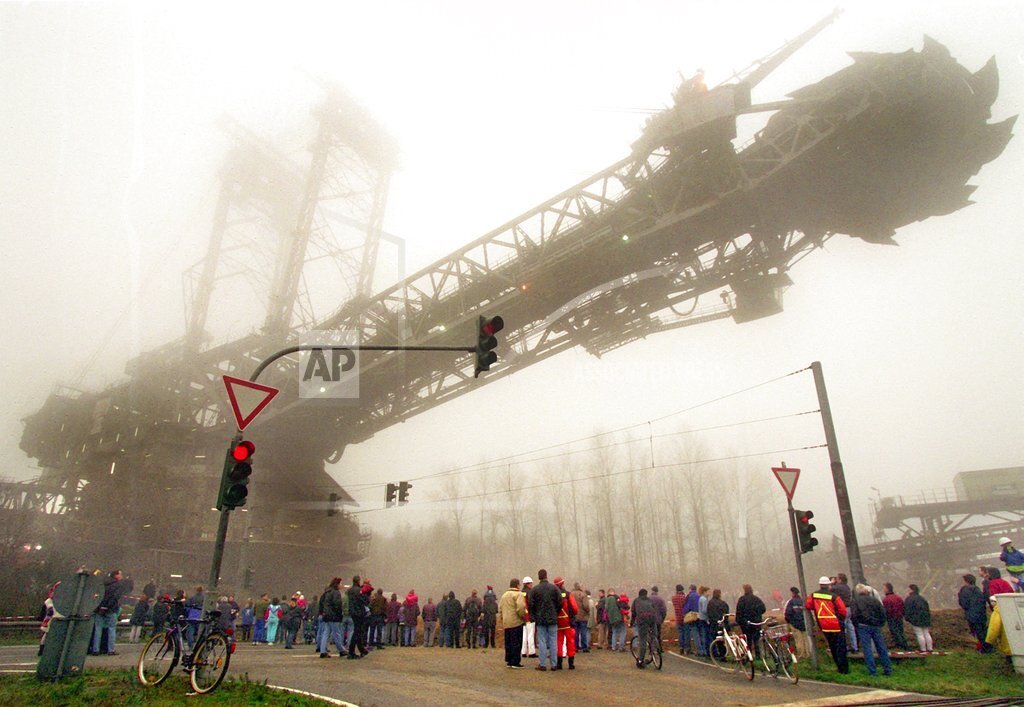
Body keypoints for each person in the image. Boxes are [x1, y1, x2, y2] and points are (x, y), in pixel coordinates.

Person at [806, 576, 848, 674]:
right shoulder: (834, 596)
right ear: (829, 585)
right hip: (836, 624)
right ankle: (844, 669)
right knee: (840, 646)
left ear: (820, 585)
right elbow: (843, 611)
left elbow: (808, 605)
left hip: (823, 624)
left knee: (832, 646)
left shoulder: (813, 595)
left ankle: (838, 665)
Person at [850, 584, 892, 677]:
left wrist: (856, 624)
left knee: (867, 649)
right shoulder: (875, 600)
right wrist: (880, 623)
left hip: (863, 626)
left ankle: (872, 671)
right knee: (881, 648)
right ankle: (887, 669)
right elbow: (882, 612)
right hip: (876, 626)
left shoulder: (855, 601)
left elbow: (854, 615)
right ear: (867, 592)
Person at [527, 569, 562, 671]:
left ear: (538, 577)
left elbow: (530, 605)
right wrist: (556, 612)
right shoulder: (554, 588)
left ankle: (542, 664)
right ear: (546, 576)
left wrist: (534, 616)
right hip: (552, 618)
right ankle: (554, 664)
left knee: (541, 641)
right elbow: (560, 602)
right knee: (553, 641)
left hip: (540, 619)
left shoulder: (535, 590)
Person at [90, 569, 130, 656]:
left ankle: (95, 649)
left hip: (99, 609)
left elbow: (97, 595)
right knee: (111, 629)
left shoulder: (103, 583)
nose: (121, 576)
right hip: (111, 609)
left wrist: (100, 607)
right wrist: (108, 606)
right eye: (120, 574)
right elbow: (115, 597)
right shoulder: (118, 585)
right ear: (115, 575)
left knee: (98, 628)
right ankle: (110, 650)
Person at [499, 578, 527, 668]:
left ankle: (509, 661)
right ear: (517, 585)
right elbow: (521, 608)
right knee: (516, 642)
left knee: (508, 643)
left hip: (506, 622)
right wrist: (523, 617)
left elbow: (500, 608)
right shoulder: (518, 594)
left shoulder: (504, 595)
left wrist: (502, 618)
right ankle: (515, 662)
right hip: (516, 622)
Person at [958, 574, 989, 652]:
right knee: (983, 631)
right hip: (981, 614)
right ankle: (987, 647)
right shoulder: (978, 590)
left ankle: (983, 649)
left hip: (971, 615)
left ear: (966, 581)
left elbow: (963, 603)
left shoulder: (964, 590)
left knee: (977, 632)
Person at [735, 584, 766, 658]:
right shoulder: (756, 599)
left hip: (746, 623)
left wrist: (740, 621)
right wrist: (757, 614)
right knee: (756, 640)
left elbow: (739, 611)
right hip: (756, 622)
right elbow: (763, 609)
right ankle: (758, 656)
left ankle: (749, 656)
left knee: (747, 640)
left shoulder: (742, 599)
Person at [553, 577, 578, 670]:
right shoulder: (568, 594)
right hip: (568, 622)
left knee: (558, 642)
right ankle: (571, 664)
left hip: (557, 623)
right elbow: (575, 608)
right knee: (570, 642)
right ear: (562, 584)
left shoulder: (553, 595)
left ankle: (559, 664)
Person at [631, 588, 659, 669]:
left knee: (642, 639)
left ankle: (640, 660)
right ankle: (655, 650)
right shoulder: (650, 600)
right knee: (654, 635)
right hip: (652, 619)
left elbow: (633, 612)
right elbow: (654, 609)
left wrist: (632, 623)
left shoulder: (636, 601)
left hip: (642, 620)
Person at [319, 578, 346, 658]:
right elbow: (337, 604)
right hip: (333, 616)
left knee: (326, 633)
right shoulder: (336, 593)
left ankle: (322, 650)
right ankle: (341, 650)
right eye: (340, 583)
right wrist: (340, 614)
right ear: (337, 584)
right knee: (336, 633)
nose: (341, 585)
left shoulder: (327, 592)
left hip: (326, 615)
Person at [904, 584, 932, 653]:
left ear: (911, 590)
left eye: (908, 589)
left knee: (919, 634)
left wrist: (907, 618)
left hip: (916, 619)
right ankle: (930, 648)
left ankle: (923, 649)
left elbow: (907, 609)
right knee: (926, 633)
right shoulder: (922, 598)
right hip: (925, 618)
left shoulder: (909, 599)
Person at [346, 576, 370, 659]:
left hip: (353, 612)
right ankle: (351, 652)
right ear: (358, 581)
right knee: (357, 632)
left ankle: (361, 649)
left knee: (358, 631)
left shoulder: (350, 590)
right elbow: (364, 601)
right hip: (358, 612)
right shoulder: (358, 590)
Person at [832, 573, 857, 652]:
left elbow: (828, 589)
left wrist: (832, 582)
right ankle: (854, 646)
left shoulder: (838, 587)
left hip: (842, 609)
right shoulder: (847, 587)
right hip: (848, 609)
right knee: (850, 627)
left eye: (837, 578)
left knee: (843, 628)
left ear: (840, 579)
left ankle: (845, 646)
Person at [881, 583, 909, 650]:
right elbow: (903, 606)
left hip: (892, 618)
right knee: (900, 631)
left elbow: (887, 610)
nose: (883, 590)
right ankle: (904, 645)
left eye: (884, 588)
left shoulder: (886, 599)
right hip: (899, 617)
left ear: (887, 589)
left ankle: (900, 645)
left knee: (895, 632)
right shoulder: (898, 597)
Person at [784, 587, 808, 660]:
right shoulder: (803, 601)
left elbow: (788, 613)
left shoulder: (791, 602)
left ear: (793, 593)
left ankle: (801, 655)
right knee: (806, 640)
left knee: (798, 640)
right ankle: (808, 654)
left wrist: (789, 621)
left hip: (795, 624)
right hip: (804, 623)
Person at [706, 589, 729, 659]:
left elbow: (709, 613)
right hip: (722, 624)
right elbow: (726, 613)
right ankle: (723, 654)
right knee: (722, 640)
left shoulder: (710, 603)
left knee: (713, 639)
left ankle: (713, 653)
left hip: (713, 624)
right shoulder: (723, 603)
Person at [571, 582, 590, 652]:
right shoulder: (583, 594)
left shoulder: (571, 594)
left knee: (575, 632)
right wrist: (588, 611)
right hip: (583, 616)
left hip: (574, 616)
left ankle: (575, 647)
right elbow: (586, 606)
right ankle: (584, 647)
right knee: (583, 632)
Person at [520, 577, 536, 658]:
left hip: (523, 617)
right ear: (527, 584)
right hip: (530, 616)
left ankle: (523, 651)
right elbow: (531, 604)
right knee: (530, 634)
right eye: (530, 583)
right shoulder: (530, 592)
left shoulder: (521, 593)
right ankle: (531, 652)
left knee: (524, 635)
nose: (531, 585)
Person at [606, 587, 626, 651]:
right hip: (619, 617)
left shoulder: (607, 599)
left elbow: (606, 609)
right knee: (623, 631)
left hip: (611, 619)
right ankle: (621, 647)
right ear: (613, 592)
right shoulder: (616, 598)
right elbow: (621, 606)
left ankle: (613, 647)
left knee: (614, 632)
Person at [671, 584, 687, 655]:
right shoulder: (684, 597)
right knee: (686, 633)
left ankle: (681, 647)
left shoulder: (673, 598)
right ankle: (687, 647)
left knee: (680, 633)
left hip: (678, 617)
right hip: (685, 617)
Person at [696, 586, 711, 658]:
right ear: (705, 592)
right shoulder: (704, 599)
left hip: (701, 618)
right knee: (705, 635)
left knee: (702, 635)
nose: (709, 593)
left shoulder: (701, 598)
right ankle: (705, 651)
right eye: (708, 591)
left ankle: (703, 650)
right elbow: (705, 610)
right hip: (704, 619)